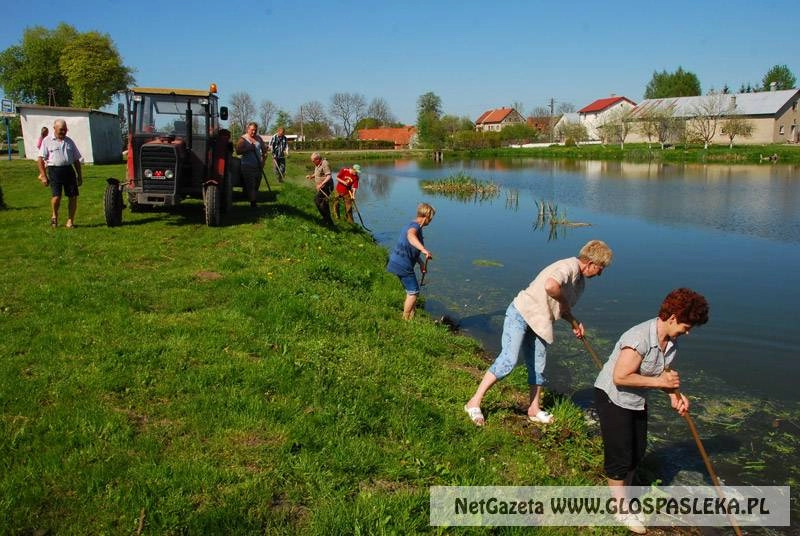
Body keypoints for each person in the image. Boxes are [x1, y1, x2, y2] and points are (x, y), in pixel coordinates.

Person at [593, 288, 709, 534]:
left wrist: (675, 396)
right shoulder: (639, 338)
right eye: (687, 326)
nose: (687, 332)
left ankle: (627, 497)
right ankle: (620, 510)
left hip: (636, 399)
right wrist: (662, 384)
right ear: (673, 317)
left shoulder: (671, 343)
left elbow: (661, 374)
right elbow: (620, 376)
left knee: (637, 451)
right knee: (620, 456)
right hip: (612, 397)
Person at [464, 240, 613, 426]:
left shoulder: (579, 282)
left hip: (540, 322)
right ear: (590, 263)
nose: (600, 273)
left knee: (538, 366)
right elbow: (551, 287)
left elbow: (561, 307)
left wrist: (574, 323)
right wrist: (564, 302)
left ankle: (533, 409)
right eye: (600, 268)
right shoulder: (568, 267)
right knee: (508, 361)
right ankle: (473, 402)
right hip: (521, 314)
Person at [386, 203, 435, 320]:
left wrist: (421, 263)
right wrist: (424, 250)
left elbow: (410, 248)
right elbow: (410, 236)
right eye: (431, 218)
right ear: (426, 216)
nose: (431, 221)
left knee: (411, 290)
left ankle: (412, 316)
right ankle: (405, 319)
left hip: (395, 262)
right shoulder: (415, 228)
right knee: (413, 292)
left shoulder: (411, 224)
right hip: (403, 265)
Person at [37, 119, 82, 229]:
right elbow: (40, 159)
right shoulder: (47, 140)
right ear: (55, 128)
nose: (64, 132)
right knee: (56, 197)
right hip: (54, 171)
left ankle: (70, 221)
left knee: (73, 197)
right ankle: (54, 215)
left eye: (65, 129)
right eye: (61, 129)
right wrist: (43, 175)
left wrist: (79, 176)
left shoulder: (69, 141)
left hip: (68, 170)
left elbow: (76, 160)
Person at [236, 122, 267, 208]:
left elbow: (264, 151)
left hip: (258, 166)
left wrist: (263, 161)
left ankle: (248, 196)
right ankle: (253, 203)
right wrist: (248, 148)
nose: (254, 132)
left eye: (255, 130)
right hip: (247, 165)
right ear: (248, 129)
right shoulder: (243, 139)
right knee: (251, 184)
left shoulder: (259, 138)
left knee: (257, 183)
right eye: (252, 130)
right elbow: (238, 151)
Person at [305, 152, 334, 227]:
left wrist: (321, 184)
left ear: (318, 159)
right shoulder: (317, 164)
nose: (312, 162)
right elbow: (319, 173)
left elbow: (329, 176)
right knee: (324, 203)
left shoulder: (325, 164)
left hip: (327, 186)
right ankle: (328, 221)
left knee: (317, 200)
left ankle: (327, 219)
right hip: (321, 187)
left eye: (313, 161)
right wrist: (312, 176)